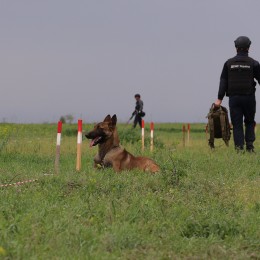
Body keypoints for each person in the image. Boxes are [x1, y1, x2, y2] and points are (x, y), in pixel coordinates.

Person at [215, 36, 260, 152]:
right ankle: (250, 146)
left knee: (237, 123)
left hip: (234, 99)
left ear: (236, 48)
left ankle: (239, 149)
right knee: (250, 121)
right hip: (249, 98)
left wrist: (219, 99)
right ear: (248, 48)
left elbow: (223, 81)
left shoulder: (228, 63)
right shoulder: (253, 63)